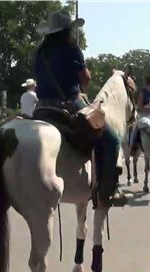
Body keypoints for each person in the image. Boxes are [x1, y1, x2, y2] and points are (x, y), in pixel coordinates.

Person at [34, 12, 122, 205]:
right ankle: (108, 191)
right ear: (67, 30)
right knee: (112, 140)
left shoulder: (40, 51)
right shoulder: (72, 48)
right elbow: (86, 80)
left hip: (41, 107)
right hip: (70, 103)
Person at [130, 75, 150, 155]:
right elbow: (139, 106)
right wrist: (148, 108)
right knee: (139, 126)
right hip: (143, 114)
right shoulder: (143, 92)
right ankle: (133, 145)